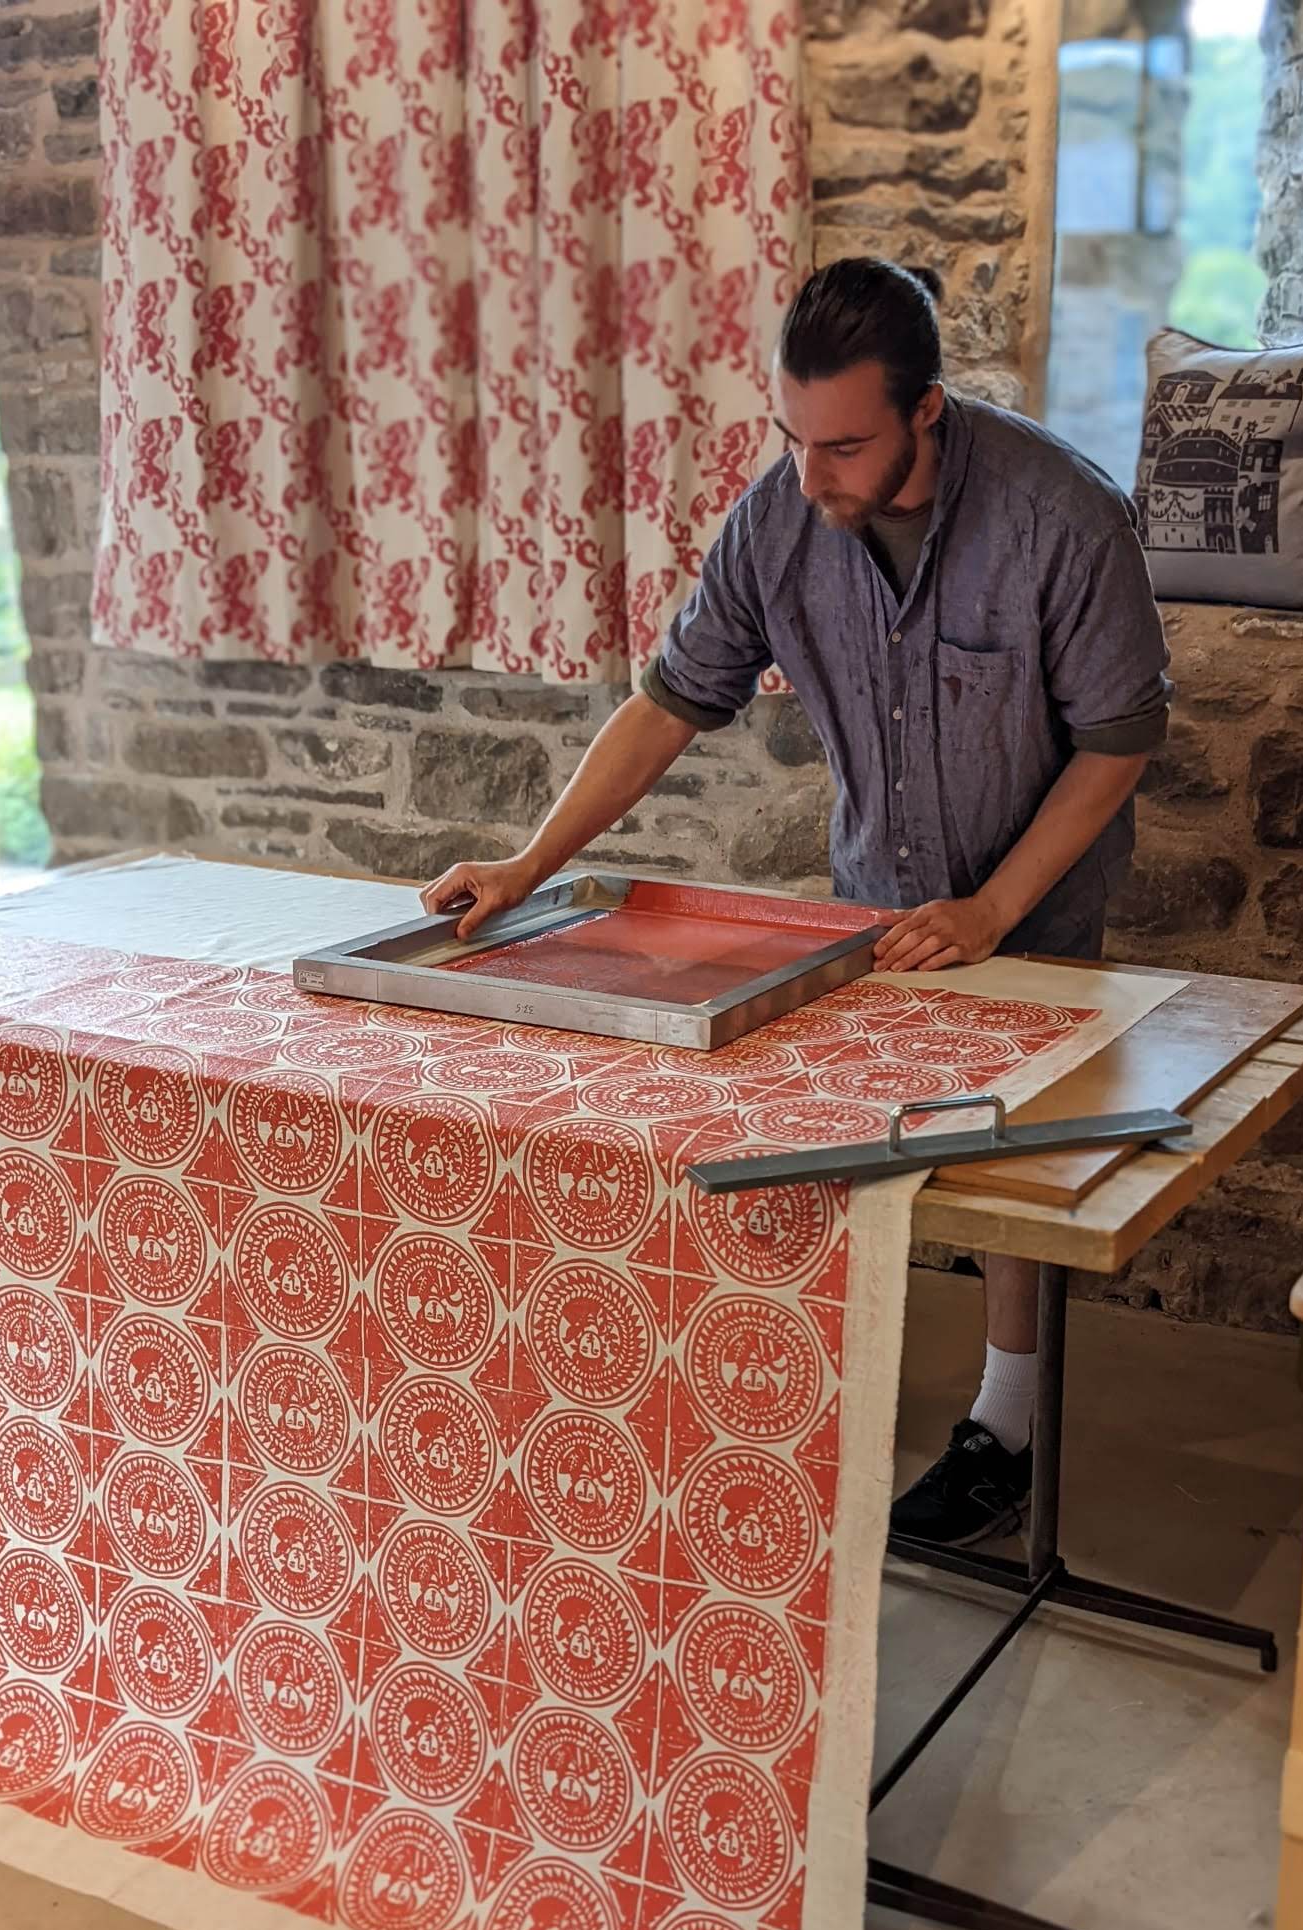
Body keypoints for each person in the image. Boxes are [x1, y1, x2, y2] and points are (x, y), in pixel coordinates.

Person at [424, 256, 1171, 1546]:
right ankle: (809, 1409)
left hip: (1029, 905)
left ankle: (1006, 1421)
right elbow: (668, 705)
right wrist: (524, 865)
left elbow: (1116, 741)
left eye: (843, 447)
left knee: (1005, 1167)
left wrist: (994, 910)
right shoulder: (777, 519)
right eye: (792, 439)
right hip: (870, 900)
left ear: (926, 410)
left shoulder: (1064, 517)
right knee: (851, 1157)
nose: (811, 476)